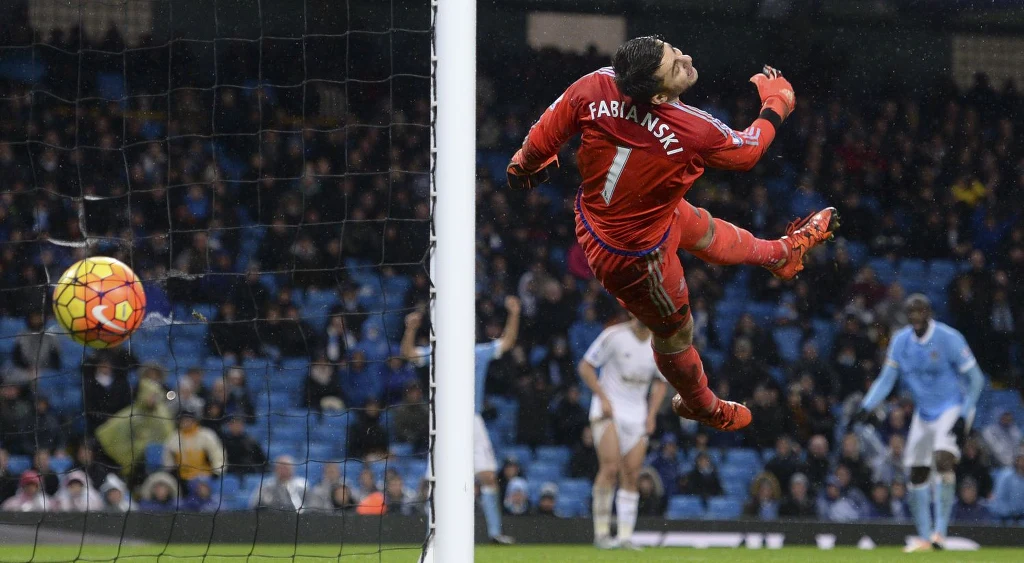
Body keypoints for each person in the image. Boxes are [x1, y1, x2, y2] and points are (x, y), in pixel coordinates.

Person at [506, 35, 836, 433]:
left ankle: (781, 254)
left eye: (674, 50)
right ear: (659, 95)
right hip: (634, 256)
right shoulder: (691, 128)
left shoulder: (592, 85)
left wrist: (523, 168)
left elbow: (539, 141)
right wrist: (778, 102)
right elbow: (749, 150)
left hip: (621, 214)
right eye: (675, 64)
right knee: (677, 331)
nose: (687, 57)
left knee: (704, 227)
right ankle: (702, 404)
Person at [853, 294, 985, 551]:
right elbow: (886, 379)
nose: (915, 316)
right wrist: (866, 406)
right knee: (916, 474)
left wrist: (964, 414)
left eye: (920, 311)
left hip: (953, 408)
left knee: (943, 460)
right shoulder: (900, 341)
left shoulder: (949, 338)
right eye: (910, 311)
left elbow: (976, 379)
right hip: (924, 414)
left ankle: (940, 534)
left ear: (929, 312)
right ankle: (925, 538)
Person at [401, 296, 521, 545]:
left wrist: (514, 313)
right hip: (445, 420)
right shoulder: (437, 351)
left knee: (488, 476)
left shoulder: (478, 352)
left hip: (472, 419)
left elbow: (507, 342)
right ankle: (432, 535)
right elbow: (409, 354)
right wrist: (410, 329)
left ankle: (495, 533)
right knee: (436, 480)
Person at [578, 314, 668, 549]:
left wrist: (651, 414)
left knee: (631, 474)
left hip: (637, 414)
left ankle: (625, 536)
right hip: (609, 410)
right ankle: (601, 534)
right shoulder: (613, 336)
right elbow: (586, 366)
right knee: (610, 468)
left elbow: (660, 382)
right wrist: (602, 397)